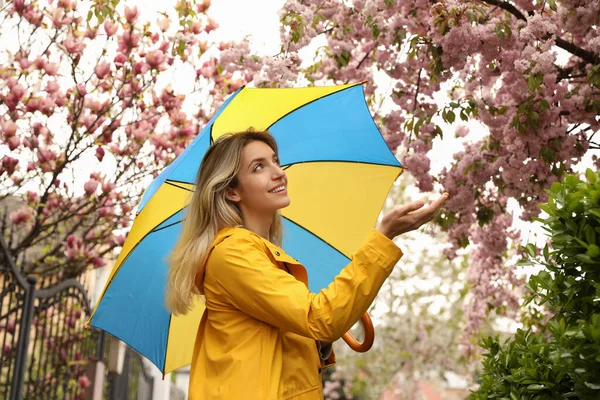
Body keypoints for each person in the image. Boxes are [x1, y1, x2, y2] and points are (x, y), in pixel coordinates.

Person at [165, 130, 448, 400]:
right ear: (232, 192)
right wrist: (384, 237)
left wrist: (316, 344)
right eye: (258, 167)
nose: (279, 172)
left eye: (275, 161)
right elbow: (320, 319)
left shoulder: (261, 254)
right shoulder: (233, 253)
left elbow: (280, 347)